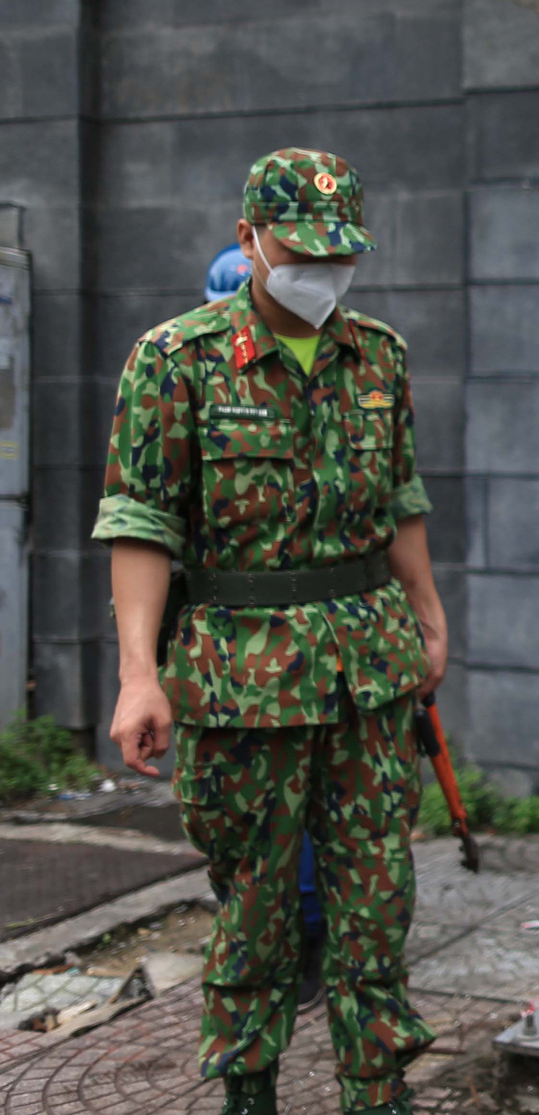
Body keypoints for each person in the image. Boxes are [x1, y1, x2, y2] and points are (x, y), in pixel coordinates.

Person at [98, 149, 496, 1115]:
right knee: (257, 900)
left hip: (366, 663)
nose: (323, 271)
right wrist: (139, 673)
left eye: (341, 253)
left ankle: (377, 1109)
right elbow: (141, 524)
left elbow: (400, 499)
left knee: (374, 886)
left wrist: (429, 610)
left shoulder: (379, 356)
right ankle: (247, 1108)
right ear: (249, 242)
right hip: (241, 672)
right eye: (301, 251)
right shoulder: (175, 360)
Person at [203, 240, 330, 1015]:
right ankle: (275, 944)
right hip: (228, 647)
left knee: (292, 807)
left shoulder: (340, 372)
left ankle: (301, 939)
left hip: (301, 642)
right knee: (251, 809)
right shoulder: (182, 373)